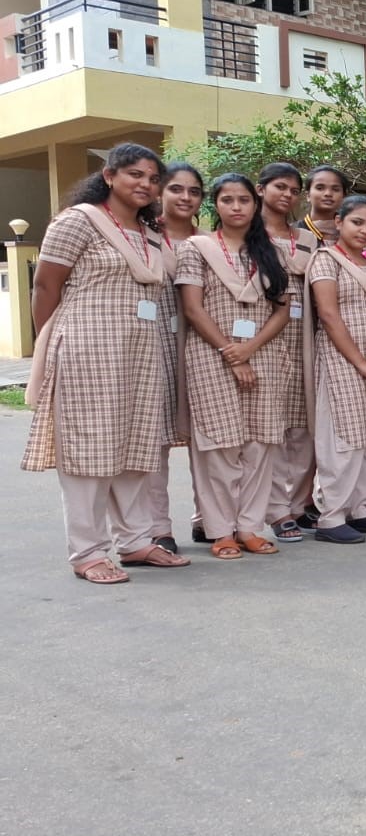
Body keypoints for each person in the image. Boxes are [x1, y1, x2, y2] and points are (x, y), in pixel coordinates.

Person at [23, 143, 191, 581]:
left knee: (137, 446)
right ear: (110, 175)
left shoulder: (149, 230)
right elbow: (45, 286)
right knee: (88, 448)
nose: (146, 184)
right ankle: (88, 553)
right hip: (88, 349)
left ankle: (135, 542)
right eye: (135, 174)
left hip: (142, 353)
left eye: (153, 179)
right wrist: (50, 342)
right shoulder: (78, 220)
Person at [177, 174, 292, 558]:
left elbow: (282, 311)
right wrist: (231, 352)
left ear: (255, 204)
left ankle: (249, 527)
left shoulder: (271, 252)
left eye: (244, 200)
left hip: (264, 354)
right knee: (219, 445)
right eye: (227, 200)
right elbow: (193, 308)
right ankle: (221, 531)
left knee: (260, 444)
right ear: (216, 205)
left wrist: (250, 349)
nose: (237, 207)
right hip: (211, 355)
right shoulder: (197, 248)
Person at [307, 196, 366, 543]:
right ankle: (331, 516)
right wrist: (362, 364)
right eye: (357, 222)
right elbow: (328, 315)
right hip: (342, 360)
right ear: (339, 222)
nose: (364, 231)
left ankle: (360, 509)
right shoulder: (325, 259)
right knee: (344, 436)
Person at [259, 162, 320, 542]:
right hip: (266, 336)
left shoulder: (308, 239)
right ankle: (276, 509)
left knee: (303, 426)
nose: (287, 195)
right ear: (261, 189)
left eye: (294, 190)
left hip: (304, 338)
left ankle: (299, 504)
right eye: (280, 187)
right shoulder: (249, 236)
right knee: (272, 426)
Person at [148, 163, 203, 552]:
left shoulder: (211, 242)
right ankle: (158, 529)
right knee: (156, 439)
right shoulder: (143, 237)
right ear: (160, 192)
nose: (185, 197)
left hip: (204, 346)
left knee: (208, 437)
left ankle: (209, 518)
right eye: (176, 189)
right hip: (156, 344)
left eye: (194, 191)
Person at [297, 164, 349, 246]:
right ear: (308, 195)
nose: (328, 193)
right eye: (320, 188)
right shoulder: (292, 231)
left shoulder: (352, 234)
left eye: (335, 189)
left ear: (344, 196)